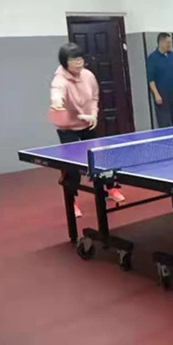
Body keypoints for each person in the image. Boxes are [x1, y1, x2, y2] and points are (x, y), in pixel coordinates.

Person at [49, 43, 125, 217]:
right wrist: (57, 103)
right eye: (73, 60)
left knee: (100, 158)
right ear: (64, 62)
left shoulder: (88, 76)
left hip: (87, 123)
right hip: (67, 128)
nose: (78, 62)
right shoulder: (59, 80)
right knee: (72, 167)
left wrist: (93, 115)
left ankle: (111, 188)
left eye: (80, 59)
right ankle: (71, 201)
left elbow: (94, 98)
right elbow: (57, 95)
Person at [147, 33, 173, 127]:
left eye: (170, 42)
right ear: (161, 42)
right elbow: (151, 79)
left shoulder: (172, 55)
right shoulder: (152, 58)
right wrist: (156, 94)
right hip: (162, 95)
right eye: (167, 42)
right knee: (165, 122)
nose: (169, 45)